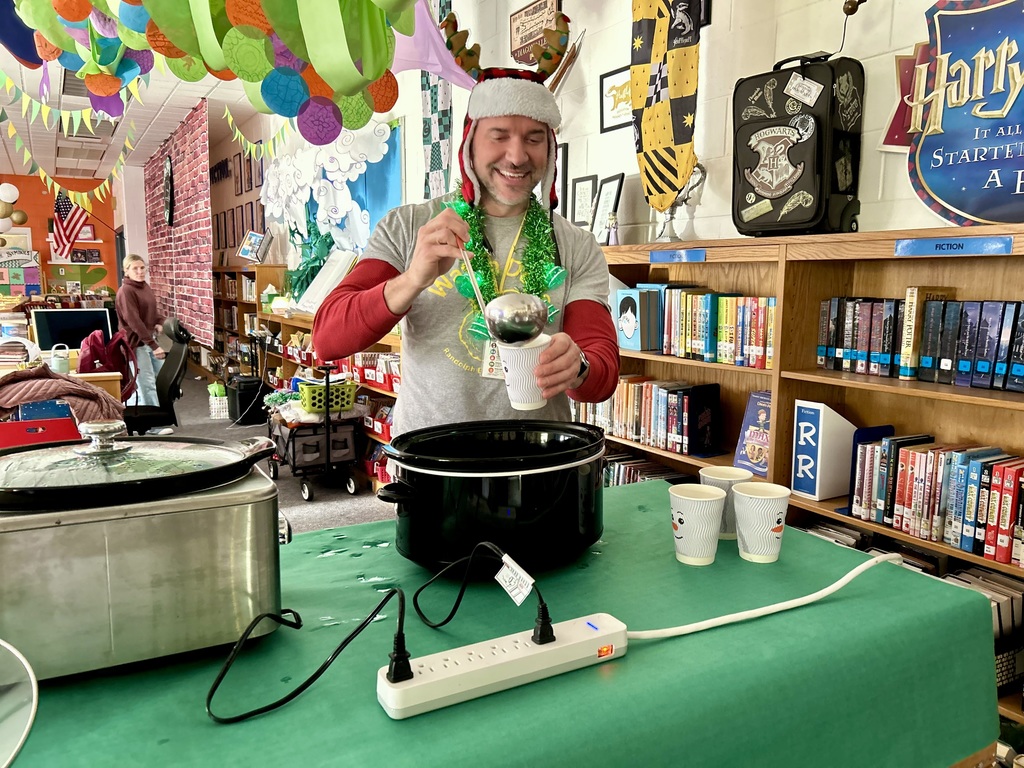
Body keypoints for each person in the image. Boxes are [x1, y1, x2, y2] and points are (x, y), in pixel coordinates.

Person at [313, 66, 619, 437]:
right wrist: (411, 280)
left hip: (537, 462)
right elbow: (328, 339)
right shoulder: (409, 226)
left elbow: (601, 374)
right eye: (499, 136)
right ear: (470, 143)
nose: (518, 156)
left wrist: (579, 366)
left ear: (551, 150)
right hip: (431, 463)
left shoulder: (576, 244)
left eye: (534, 138)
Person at [115, 253, 172, 434]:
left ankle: (138, 420)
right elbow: (134, 321)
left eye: (142, 268)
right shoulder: (126, 291)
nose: (140, 271)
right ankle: (152, 425)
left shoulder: (144, 286)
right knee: (146, 383)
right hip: (136, 345)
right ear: (126, 271)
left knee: (161, 380)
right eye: (135, 268)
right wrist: (154, 346)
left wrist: (160, 322)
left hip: (149, 340)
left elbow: (152, 312)